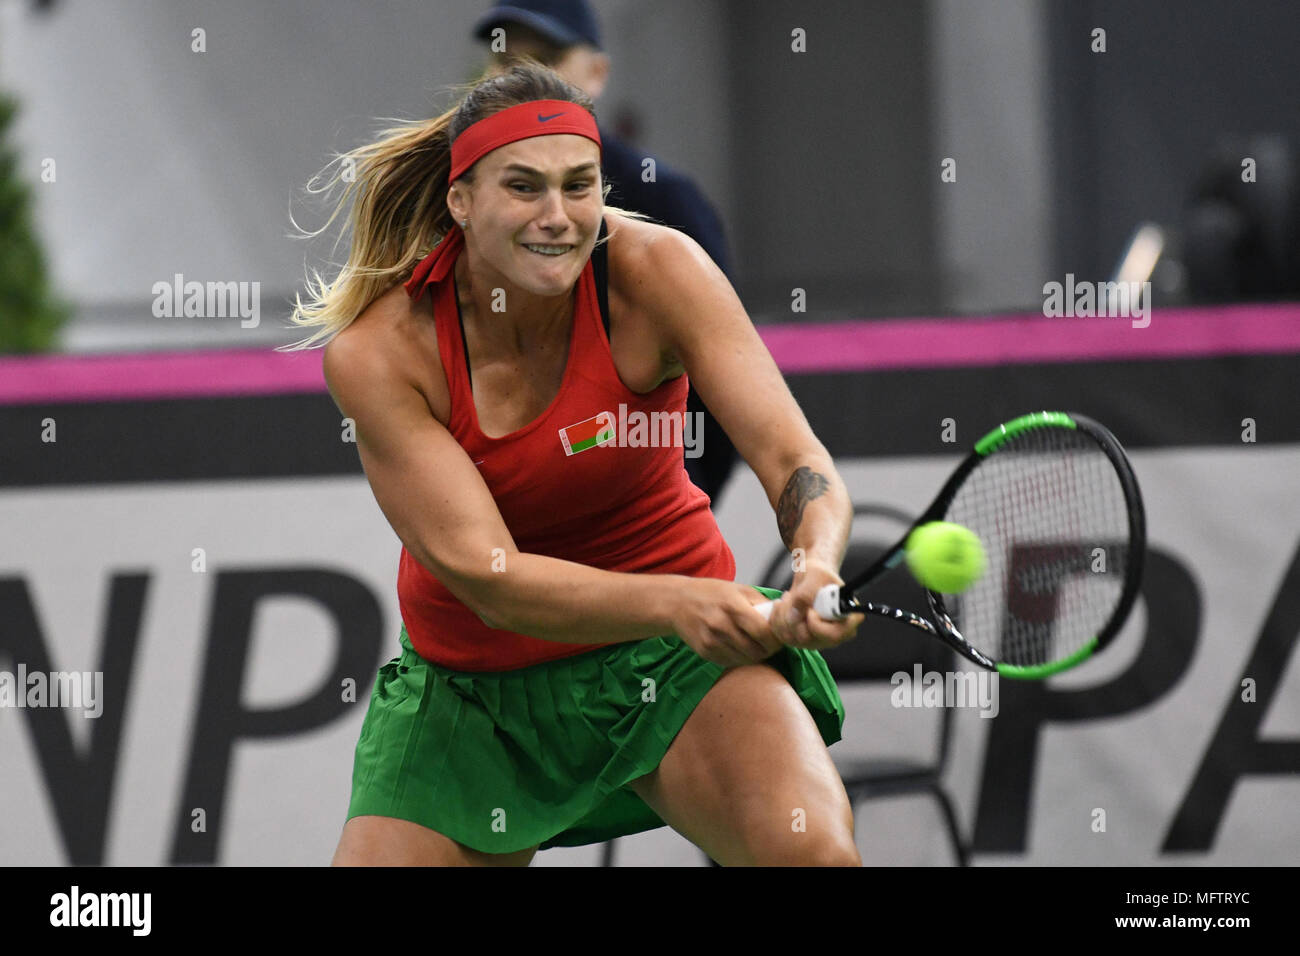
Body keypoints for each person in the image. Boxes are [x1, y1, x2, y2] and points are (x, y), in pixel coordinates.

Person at [286, 62, 864, 866]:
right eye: (523, 188)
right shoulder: (381, 354)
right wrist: (680, 603)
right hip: (472, 696)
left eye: (579, 185)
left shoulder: (660, 272)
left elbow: (796, 462)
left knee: (814, 858)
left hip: (674, 670)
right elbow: (492, 581)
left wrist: (817, 567)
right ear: (462, 202)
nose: (557, 217)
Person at [471, 0, 740, 504]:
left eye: (546, 59)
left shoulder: (666, 198)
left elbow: (727, 389)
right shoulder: (452, 198)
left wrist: (681, 498)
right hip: (510, 513)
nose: (525, 81)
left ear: (597, 73)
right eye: (508, 62)